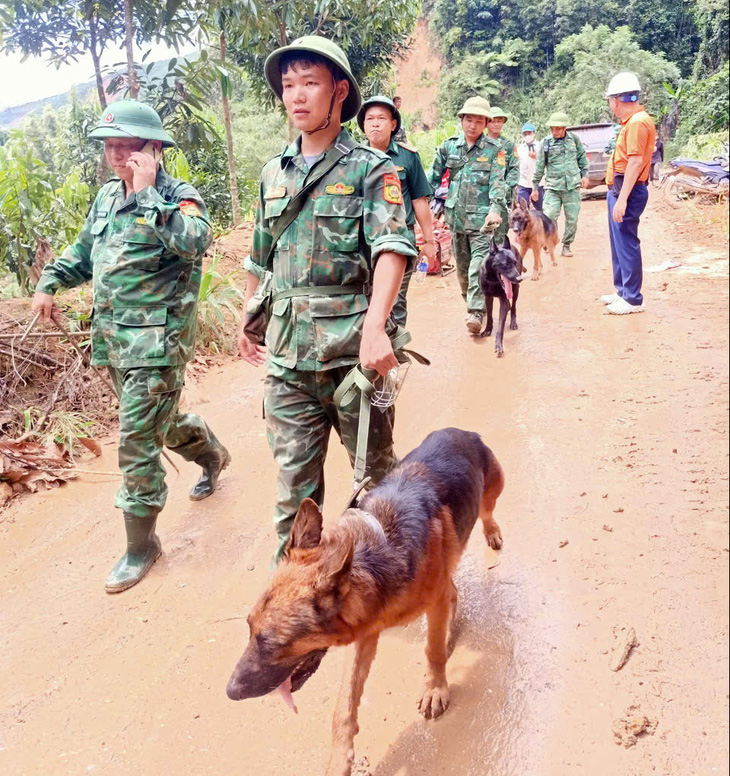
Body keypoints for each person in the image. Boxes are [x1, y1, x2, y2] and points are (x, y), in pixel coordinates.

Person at [31, 100, 229, 593]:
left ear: (153, 149)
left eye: (127, 146)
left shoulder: (178, 196)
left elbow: (194, 241)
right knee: (156, 426)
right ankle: (209, 450)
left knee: (136, 440)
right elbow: (85, 252)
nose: (116, 155)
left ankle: (141, 545)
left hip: (158, 341)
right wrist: (49, 283)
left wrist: (147, 196)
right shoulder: (105, 199)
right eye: (110, 146)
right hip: (114, 340)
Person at [237, 37, 417, 562]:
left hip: (353, 358)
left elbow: (391, 248)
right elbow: (259, 254)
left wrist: (377, 328)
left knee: (380, 480)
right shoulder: (274, 173)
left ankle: (398, 576)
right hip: (289, 359)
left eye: (309, 83)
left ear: (339, 91)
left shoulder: (371, 168)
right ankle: (293, 595)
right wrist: (249, 316)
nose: (296, 96)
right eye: (288, 85)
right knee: (294, 491)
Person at [428, 96, 506, 335]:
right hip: (456, 220)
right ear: (462, 120)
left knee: (477, 268)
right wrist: (428, 206)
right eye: (468, 120)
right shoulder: (449, 147)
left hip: (483, 223)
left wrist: (495, 209)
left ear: (486, 123)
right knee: (463, 274)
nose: (473, 125)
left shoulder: (495, 151)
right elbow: (431, 179)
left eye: (478, 121)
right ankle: (475, 306)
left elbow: (497, 183)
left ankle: (475, 312)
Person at [358, 95, 435, 326]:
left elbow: (420, 200)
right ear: (363, 125)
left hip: (399, 239)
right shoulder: (354, 158)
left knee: (395, 301)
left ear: (393, 124)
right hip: (363, 242)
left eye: (381, 118)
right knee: (364, 298)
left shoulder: (408, 157)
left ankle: (394, 355)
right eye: (370, 118)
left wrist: (429, 241)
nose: (375, 123)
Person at [602, 72, 656, 315]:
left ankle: (633, 298)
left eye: (610, 101)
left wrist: (622, 199)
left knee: (626, 242)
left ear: (616, 100)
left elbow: (634, 163)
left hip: (629, 189)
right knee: (618, 243)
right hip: (620, 187)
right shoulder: (632, 122)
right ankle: (623, 291)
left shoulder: (636, 123)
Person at [531, 112, 589, 257]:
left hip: (572, 187)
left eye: (558, 128)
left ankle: (567, 245)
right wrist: (535, 187)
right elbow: (539, 166)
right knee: (548, 216)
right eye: (552, 128)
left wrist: (585, 175)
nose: (555, 131)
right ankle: (547, 240)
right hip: (553, 187)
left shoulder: (574, 140)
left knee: (572, 219)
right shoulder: (545, 143)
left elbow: (582, 158)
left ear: (564, 128)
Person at [485, 106, 519, 244]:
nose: (497, 124)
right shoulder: (480, 143)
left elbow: (514, 169)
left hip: (503, 196)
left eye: (500, 121)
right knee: (481, 234)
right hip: (482, 195)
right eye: (493, 121)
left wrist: (504, 188)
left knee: (500, 232)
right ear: (487, 123)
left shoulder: (508, 145)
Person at [516, 122, 544, 210]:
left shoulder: (541, 146)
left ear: (534, 133)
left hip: (539, 183)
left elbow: (548, 162)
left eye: (529, 133)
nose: (527, 135)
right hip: (523, 183)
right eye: (525, 133)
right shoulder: (520, 148)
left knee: (540, 209)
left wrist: (537, 157)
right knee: (523, 208)